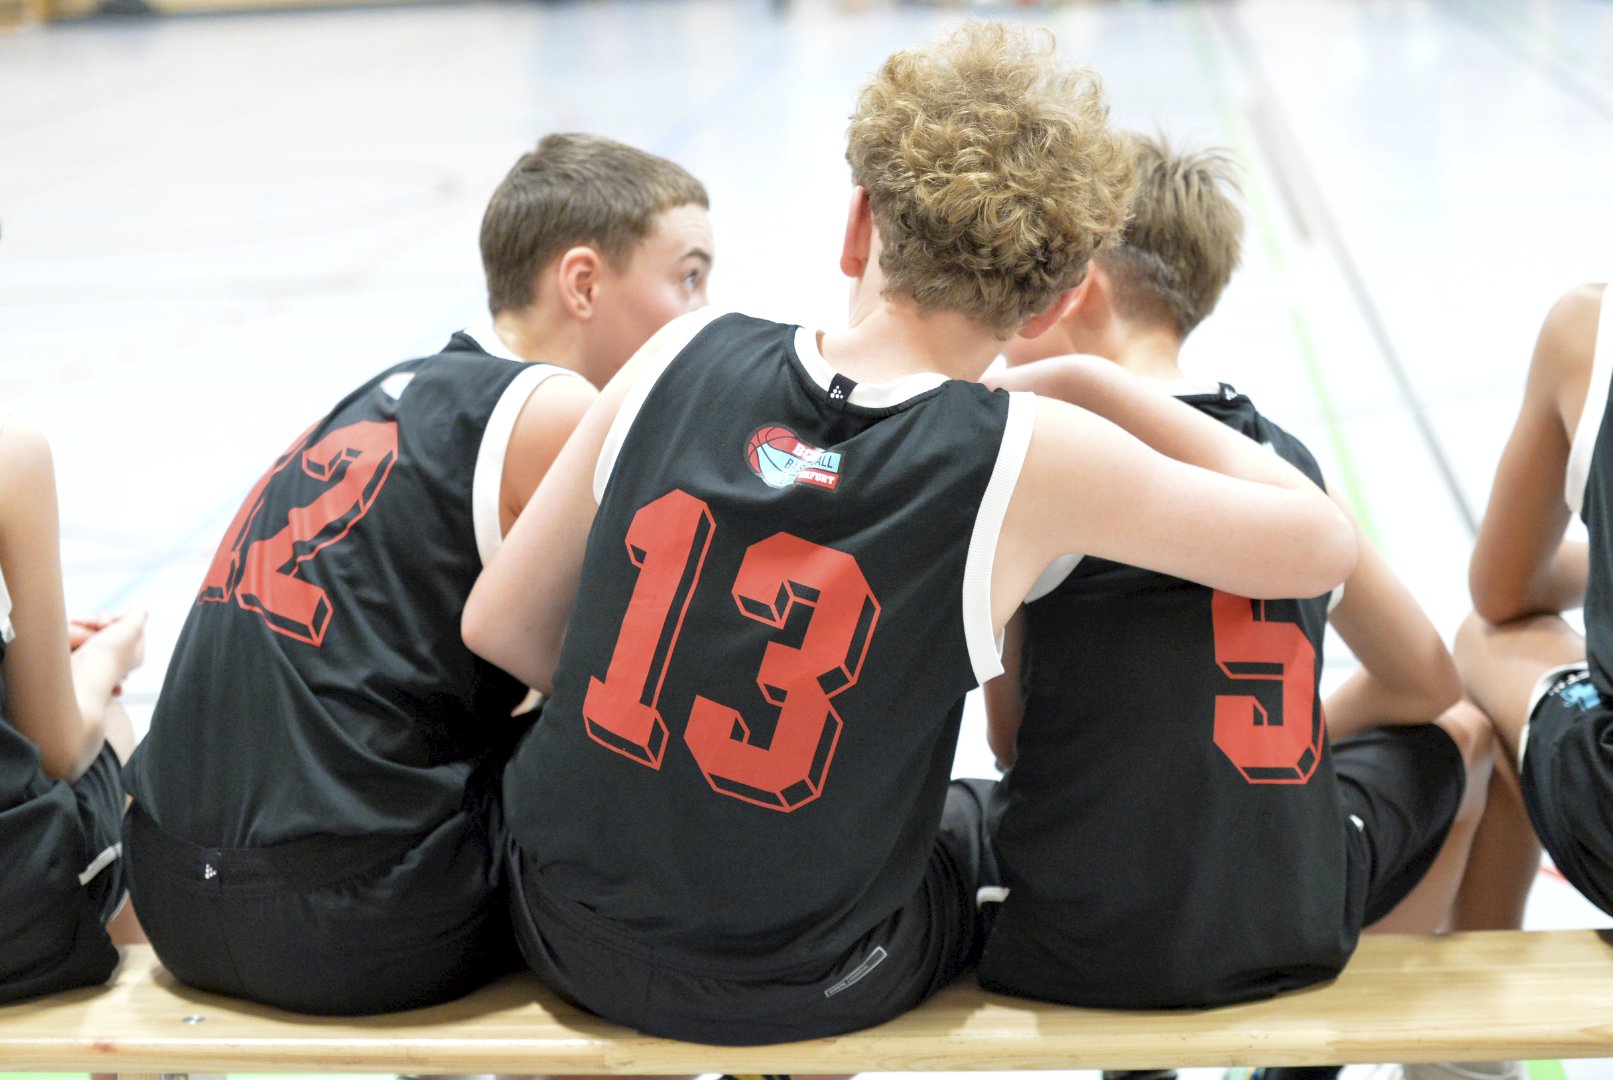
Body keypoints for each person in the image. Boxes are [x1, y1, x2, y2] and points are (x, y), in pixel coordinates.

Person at [463, 23, 1355, 1047]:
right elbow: (1321, 541)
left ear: (858, 224)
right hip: (800, 981)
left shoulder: (683, 347)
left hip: (558, 922)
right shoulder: (1030, 449)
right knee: (986, 836)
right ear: (1055, 300)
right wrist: (1092, 382)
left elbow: (501, 627)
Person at [121, 133, 713, 1015]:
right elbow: (625, 685)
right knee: (637, 755)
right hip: (348, 923)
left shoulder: (391, 392)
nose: (705, 313)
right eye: (690, 278)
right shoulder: (557, 409)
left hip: (174, 895)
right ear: (583, 283)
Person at [974, 135, 1492, 1041]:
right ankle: (1392, 1056)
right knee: (1465, 734)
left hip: (1081, 944)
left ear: (1081, 285)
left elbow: (1014, 741)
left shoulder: (1050, 459)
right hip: (1293, 927)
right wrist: (1283, 733)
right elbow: (1429, 682)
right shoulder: (1286, 470)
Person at [1453, 131, 1613, 935]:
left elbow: (1502, 588)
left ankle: (1479, 1011)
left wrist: (1611, 562)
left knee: (1485, 640)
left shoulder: (1589, 329)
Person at [0, 414, 147, 1004]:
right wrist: (111, 655)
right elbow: (57, 749)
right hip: (16, 924)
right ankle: (138, 1030)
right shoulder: (11, 452)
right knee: (110, 722)